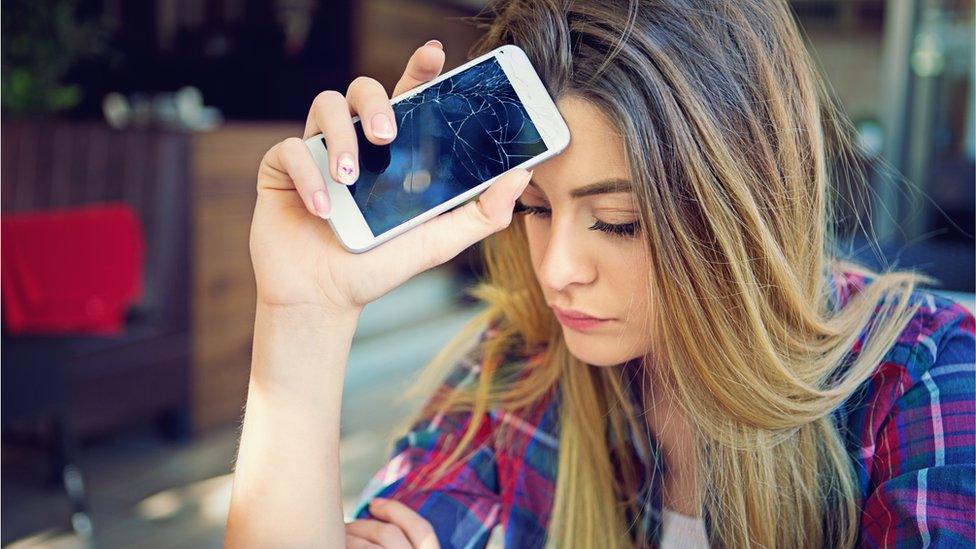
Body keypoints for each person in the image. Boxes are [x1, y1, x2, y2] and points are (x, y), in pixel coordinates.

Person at [224, 0, 976, 547]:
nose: (556, 272)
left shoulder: (931, 381)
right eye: (534, 208)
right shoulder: (523, 369)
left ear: (748, 207)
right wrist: (302, 315)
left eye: (618, 222)